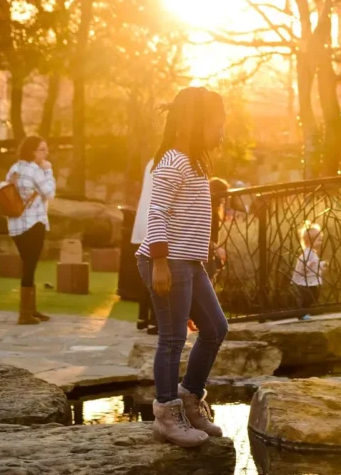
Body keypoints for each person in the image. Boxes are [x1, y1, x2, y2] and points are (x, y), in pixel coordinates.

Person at [136, 87, 228, 448]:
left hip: (189, 262)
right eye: (216, 125)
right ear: (194, 123)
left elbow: (186, 216)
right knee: (172, 339)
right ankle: (166, 416)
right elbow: (156, 213)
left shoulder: (194, 162)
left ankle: (190, 398)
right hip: (167, 263)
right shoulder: (172, 160)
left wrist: (204, 249)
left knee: (216, 327)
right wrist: (160, 262)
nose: (221, 132)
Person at [5, 136, 56, 325]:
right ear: (32, 151)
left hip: (16, 225)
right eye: (42, 149)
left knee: (29, 265)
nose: (46, 153)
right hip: (33, 224)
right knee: (30, 266)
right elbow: (50, 193)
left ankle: (30, 310)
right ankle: (25, 314)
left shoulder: (15, 169)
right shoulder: (35, 171)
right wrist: (49, 171)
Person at [132, 160, 157, 333]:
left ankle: (143, 317)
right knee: (158, 272)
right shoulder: (169, 160)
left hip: (145, 220)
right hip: (157, 223)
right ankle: (156, 320)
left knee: (147, 273)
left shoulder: (151, 162)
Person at [291, 222, 327, 318]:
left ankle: (306, 312)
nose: (321, 242)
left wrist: (321, 264)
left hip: (309, 280)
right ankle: (302, 314)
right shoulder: (307, 254)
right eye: (319, 240)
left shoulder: (312, 253)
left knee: (313, 294)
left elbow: (314, 264)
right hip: (304, 281)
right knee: (308, 297)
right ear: (310, 241)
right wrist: (312, 265)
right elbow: (306, 265)